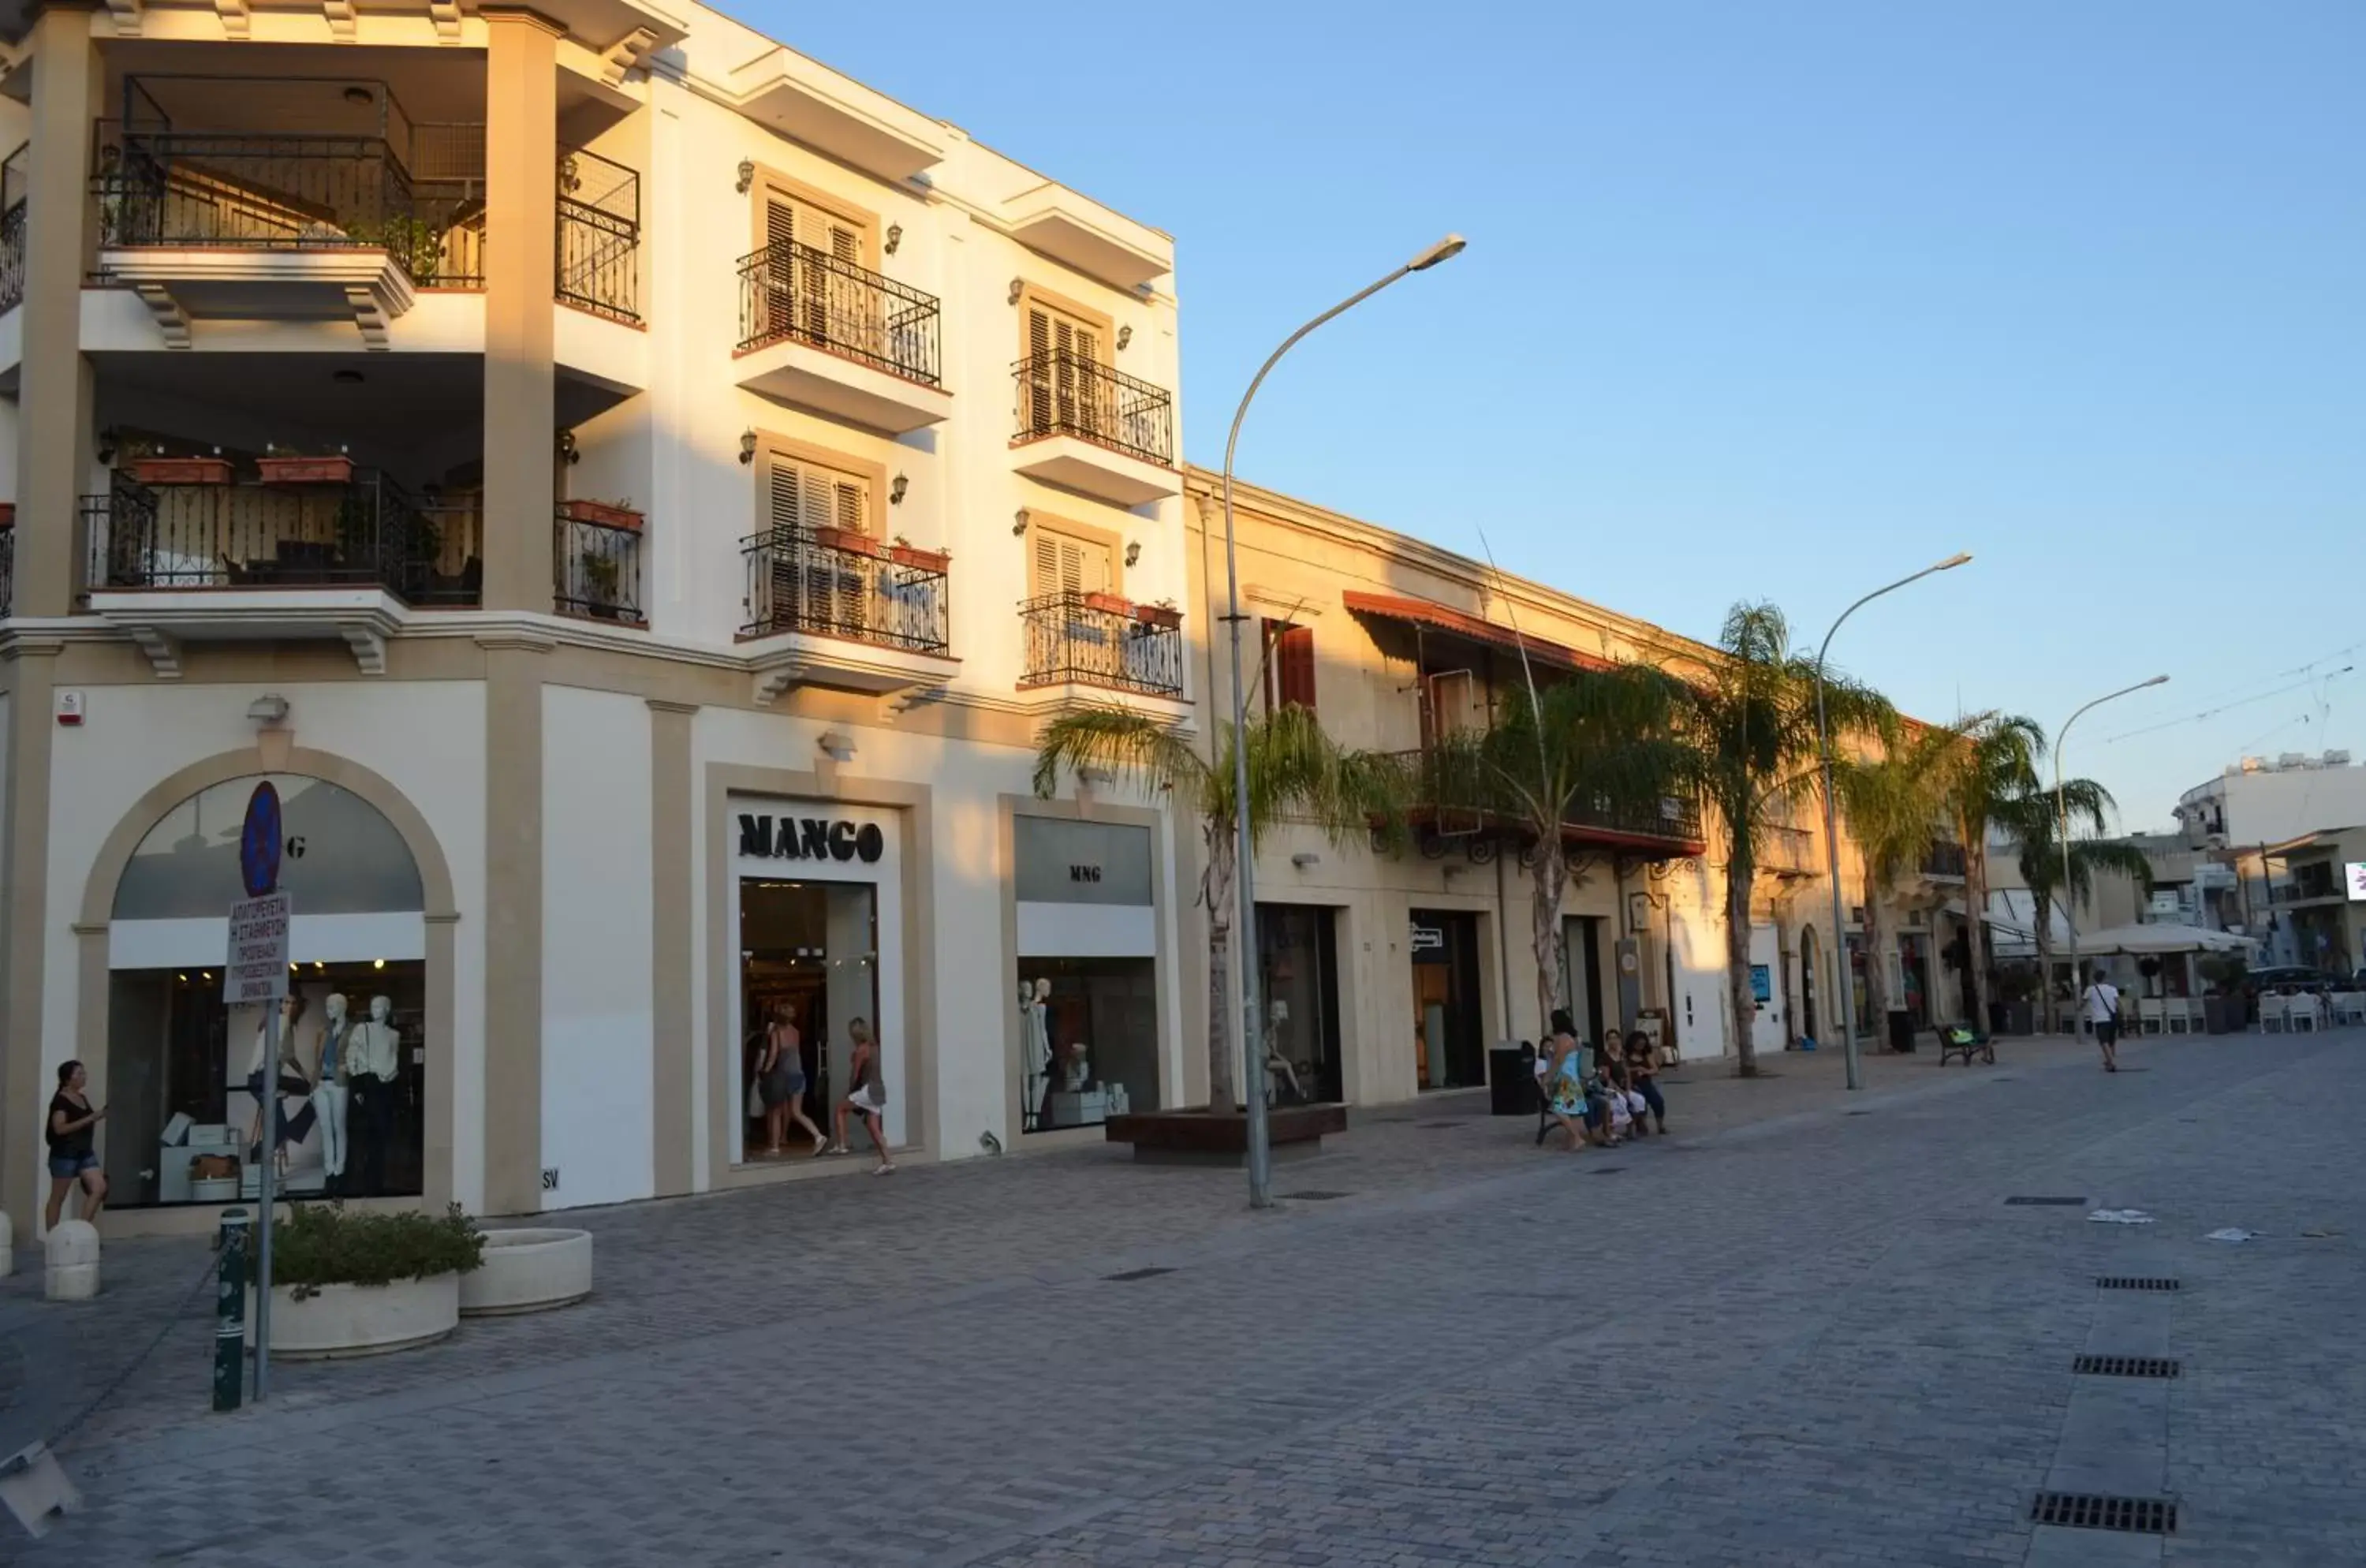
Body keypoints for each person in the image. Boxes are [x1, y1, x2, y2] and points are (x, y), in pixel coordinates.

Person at [45, 1060, 107, 1230]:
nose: (83, 1077)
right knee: (58, 1196)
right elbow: (59, 1128)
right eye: (79, 1074)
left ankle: (81, 1231)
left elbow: (87, 1119)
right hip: (65, 1153)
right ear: (67, 1079)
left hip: (84, 1152)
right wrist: (90, 1118)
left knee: (99, 1188)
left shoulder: (82, 1097)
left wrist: (99, 1115)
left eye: (84, 1073)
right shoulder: (61, 1101)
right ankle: (54, 1237)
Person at [758, 999, 826, 1157]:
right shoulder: (796, 1031)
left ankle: (774, 1148)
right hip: (799, 1074)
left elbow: (774, 1053)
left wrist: (765, 1071)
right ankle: (818, 1135)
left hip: (783, 1076)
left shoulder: (776, 1032)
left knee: (776, 1111)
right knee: (796, 1111)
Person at [829, 1017, 895, 1173]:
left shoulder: (861, 1050)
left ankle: (842, 1145)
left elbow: (855, 1075)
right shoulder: (875, 1048)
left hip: (868, 1090)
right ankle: (888, 1161)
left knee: (840, 1108)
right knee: (874, 1127)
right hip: (879, 1090)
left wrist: (850, 1091)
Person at [1538, 1010, 1591, 1151]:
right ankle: (1572, 1140)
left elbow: (1558, 1060)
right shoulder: (1572, 1038)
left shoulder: (1561, 1039)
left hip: (1565, 1077)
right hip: (1572, 1076)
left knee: (1558, 1109)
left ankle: (1577, 1138)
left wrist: (1548, 1077)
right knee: (1572, 1111)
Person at [1624, 1031, 1669, 1135]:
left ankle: (1660, 1125)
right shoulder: (1626, 1056)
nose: (1640, 1047)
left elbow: (1655, 1069)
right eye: (1638, 1044)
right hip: (1632, 1083)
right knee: (1640, 1102)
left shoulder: (1647, 1055)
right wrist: (1635, 1070)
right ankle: (1641, 1124)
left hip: (1645, 1082)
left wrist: (1644, 1071)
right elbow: (1625, 1069)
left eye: (1643, 1044)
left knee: (1658, 1101)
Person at [2082, 970, 2122, 1072]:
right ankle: (2109, 1061)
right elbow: (2118, 1003)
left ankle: (2111, 1062)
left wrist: (2079, 1008)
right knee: (2111, 1041)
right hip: (2112, 1017)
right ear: (2105, 978)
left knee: (2103, 1041)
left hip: (2100, 1019)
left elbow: (2084, 1003)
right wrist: (2123, 1015)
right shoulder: (2112, 989)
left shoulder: (2090, 990)